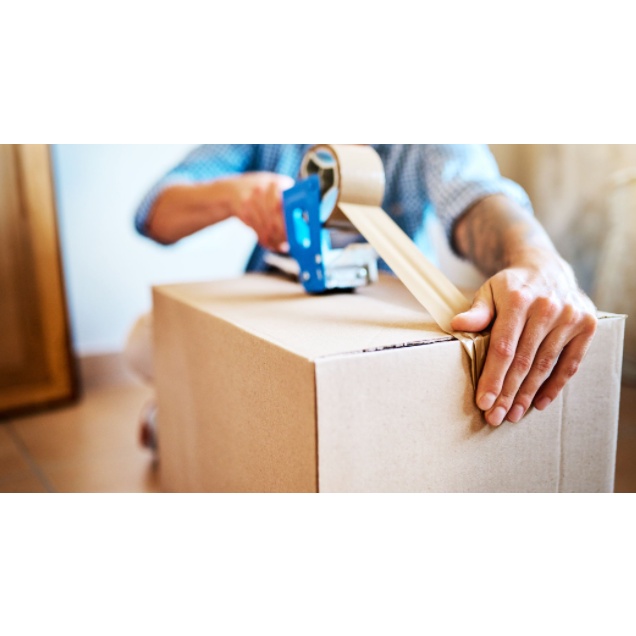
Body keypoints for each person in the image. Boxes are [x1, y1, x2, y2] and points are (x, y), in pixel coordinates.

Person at [128, 144, 597, 448]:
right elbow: (154, 213)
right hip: (273, 307)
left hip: (377, 321)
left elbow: (475, 196)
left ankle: (204, 412)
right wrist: (236, 194)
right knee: (144, 342)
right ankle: (202, 408)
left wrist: (534, 256)